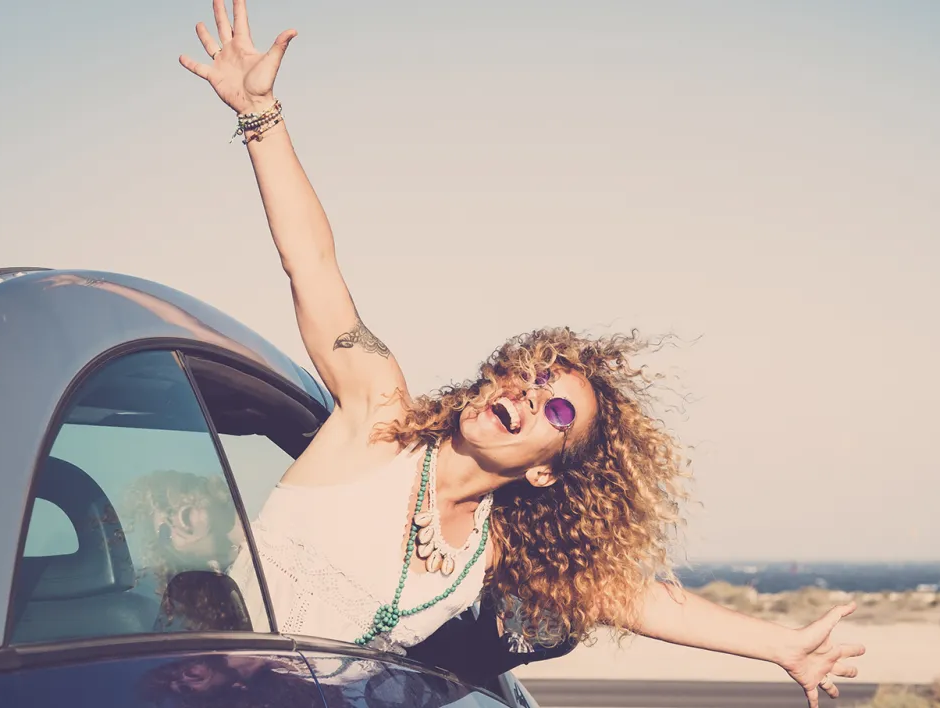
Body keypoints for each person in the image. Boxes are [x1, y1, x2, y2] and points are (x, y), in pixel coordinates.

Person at [179, 2, 865, 705]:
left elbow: (634, 599)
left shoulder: (489, 552)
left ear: (545, 471)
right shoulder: (378, 419)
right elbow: (314, 267)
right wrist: (260, 114)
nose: (530, 395)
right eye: (528, 376)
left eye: (556, 406)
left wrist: (783, 647)